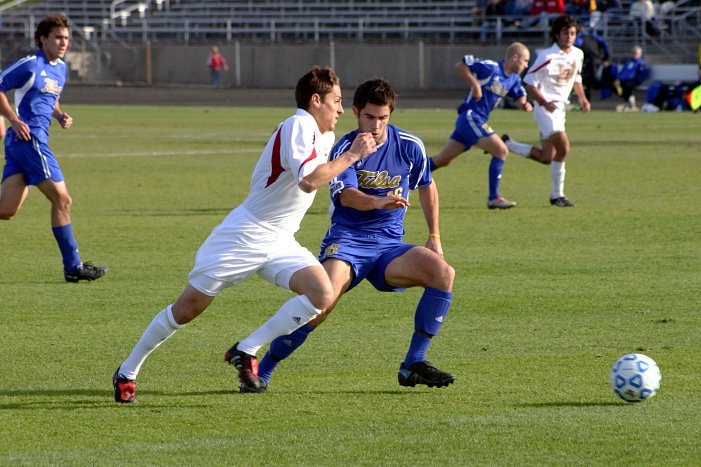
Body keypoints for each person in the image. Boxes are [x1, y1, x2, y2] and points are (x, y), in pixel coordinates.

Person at [112, 66, 377, 403]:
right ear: (315, 100)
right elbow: (309, 180)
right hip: (244, 234)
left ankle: (246, 349)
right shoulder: (299, 124)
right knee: (187, 309)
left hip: (280, 239)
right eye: (336, 101)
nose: (341, 109)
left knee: (322, 293)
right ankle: (127, 371)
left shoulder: (320, 134)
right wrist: (354, 154)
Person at [253, 78, 457, 393]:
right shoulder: (345, 149)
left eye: (383, 118)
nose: (375, 126)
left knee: (442, 273)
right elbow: (347, 196)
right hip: (347, 243)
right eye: (369, 117)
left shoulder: (409, 145)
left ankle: (413, 363)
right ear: (356, 112)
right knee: (321, 303)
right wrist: (379, 201)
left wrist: (434, 235)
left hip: (389, 246)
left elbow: (427, 185)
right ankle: (262, 371)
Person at [0, 14, 108, 282]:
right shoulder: (29, 64)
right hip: (29, 140)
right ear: (43, 39)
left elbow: (50, 98)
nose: (63, 43)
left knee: (6, 210)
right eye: (58, 37)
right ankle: (73, 267)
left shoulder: (60, 68)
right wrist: (13, 120)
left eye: (67, 38)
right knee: (63, 199)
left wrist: (59, 115)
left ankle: (73, 267)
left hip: (24, 142)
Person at [429, 43, 533, 210]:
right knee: (501, 150)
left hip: (473, 122)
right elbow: (460, 64)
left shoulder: (513, 78)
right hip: (471, 117)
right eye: (525, 61)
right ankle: (494, 198)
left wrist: (525, 105)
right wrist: (475, 84)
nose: (526, 65)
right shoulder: (491, 68)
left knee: (443, 160)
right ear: (515, 57)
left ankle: (406, 178)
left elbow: (520, 96)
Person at [502, 15, 590, 207]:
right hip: (545, 109)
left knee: (546, 157)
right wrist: (543, 101)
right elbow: (529, 81)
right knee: (564, 147)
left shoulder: (578, 54)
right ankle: (557, 195)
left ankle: (508, 145)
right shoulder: (547, 56)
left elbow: (576, 79)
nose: (569, 37)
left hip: (561, 109)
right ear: (557, 35)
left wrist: (582, 99)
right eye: (566, 33)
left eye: (573, 33)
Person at [574, 26, 610, 100]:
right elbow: (605, 45)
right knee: (591, 80)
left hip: (587, 61)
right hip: (597, 60)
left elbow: (576, 46)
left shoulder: (580, 37)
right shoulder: (594, 36)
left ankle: (587, 98)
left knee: (586, 81)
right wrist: (606, 58)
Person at [613, 45, 649, 112]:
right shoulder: (628, 62)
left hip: (633, 81)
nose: (634, 55)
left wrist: (636, 79)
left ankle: (629, 103)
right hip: (623, 81)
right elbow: (623, 72)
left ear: (640, 54)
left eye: (636, 53)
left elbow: (643, 74)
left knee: (627, 87)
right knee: (613, 86)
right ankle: (629, 101)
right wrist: (618, 78)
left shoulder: (640, 63)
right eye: (633, 53)